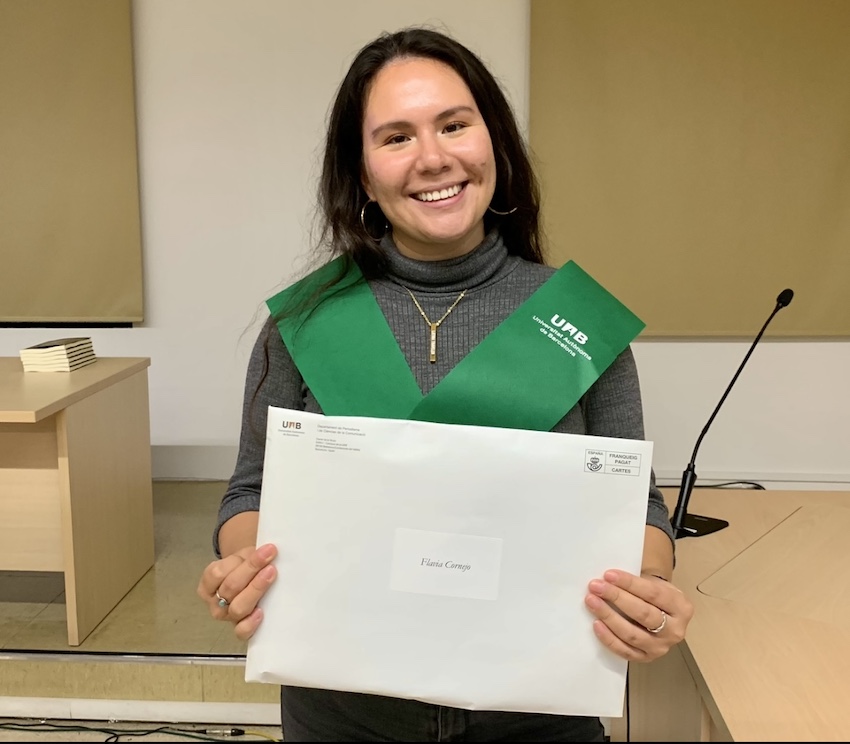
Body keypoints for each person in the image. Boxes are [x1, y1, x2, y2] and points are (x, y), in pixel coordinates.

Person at [197, 26, 694, 743]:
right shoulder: (305, 322)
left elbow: (637, 507)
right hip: (343, 712)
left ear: (493, 143)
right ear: (363, 174)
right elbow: (250, 491)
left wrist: (648, 591)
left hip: (538, 714)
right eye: (396, 137)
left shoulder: (577, 323)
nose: (432, 158)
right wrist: (240, 564)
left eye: (454, 125)